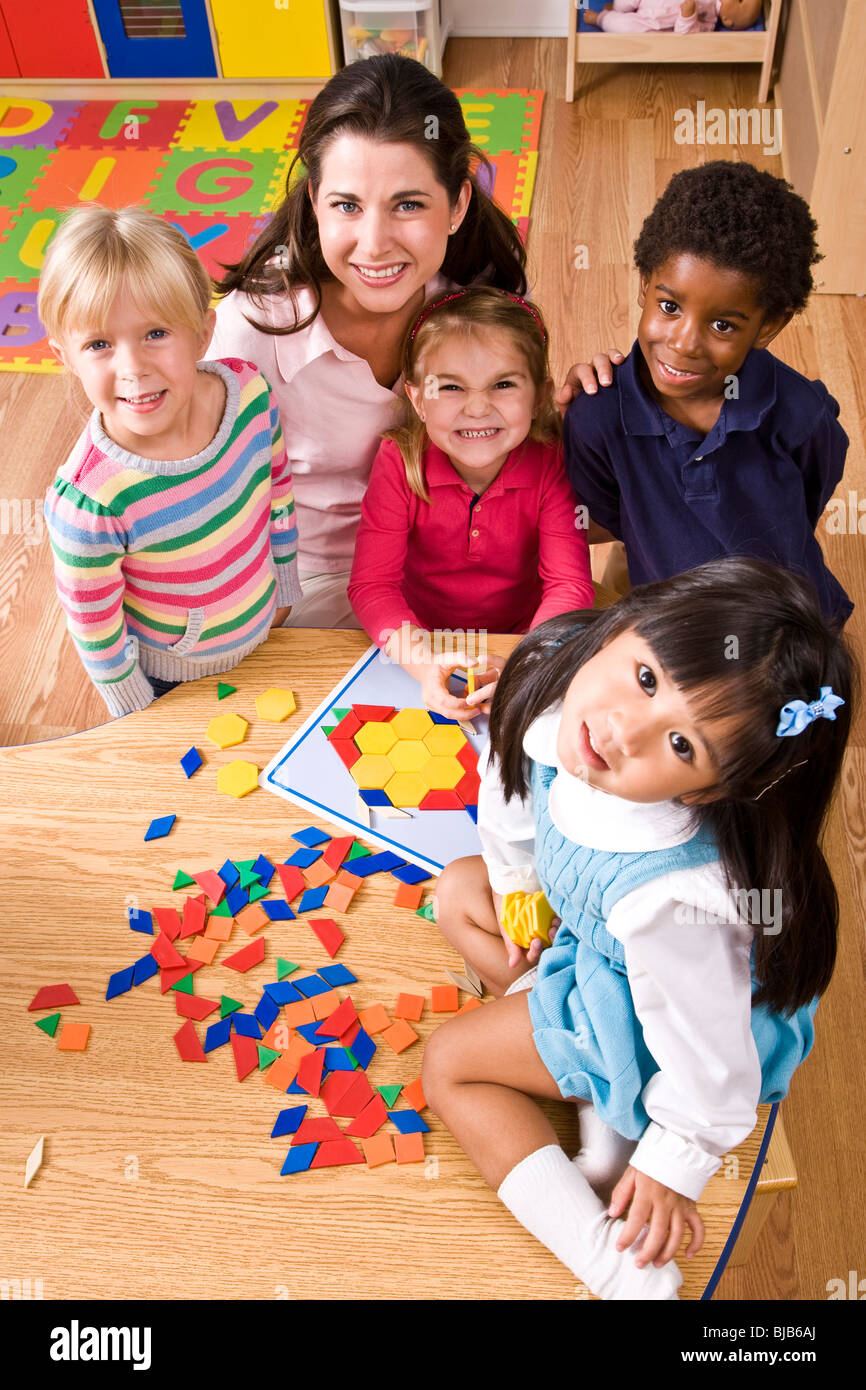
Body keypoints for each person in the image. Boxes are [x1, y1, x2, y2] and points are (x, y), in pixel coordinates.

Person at [423, 557, 856, 1299]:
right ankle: (576, 1069)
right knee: (459, 889)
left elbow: (714, 1065)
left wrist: (673, 1163)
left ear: (715, 788)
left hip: (661, 1028)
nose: (625, 729)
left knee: (449, 1064)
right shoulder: (568, 680)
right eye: (648, 679)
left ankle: (615, 1267)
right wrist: (520, 893)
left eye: (682, 746)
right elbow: (516, 787)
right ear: (627, 621)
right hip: (598, 948)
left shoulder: (671, 901)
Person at [210, 54, 587, 629]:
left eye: (408, 205)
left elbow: (525, 442)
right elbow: (185, 485)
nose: (375, 243)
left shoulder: (481, 298)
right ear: (314, 201)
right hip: (308, 587)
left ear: (458, 203)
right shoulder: (253, 328)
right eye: (346, 205)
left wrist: (595, 405)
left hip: (456, 575)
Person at [562, 162, 853, 627]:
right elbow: (607, 515)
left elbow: (808, 502)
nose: (683, 342)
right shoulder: (597, 414)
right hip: (674, 632)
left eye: (722, 325)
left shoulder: (801, 415)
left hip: (786, 627)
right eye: (670, 306)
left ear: (768, 327)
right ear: (644, 285)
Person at [40, 205, 301, 715]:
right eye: (99, 344)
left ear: (203, 334)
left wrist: (285, 583)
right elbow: (95, 626)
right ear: (65, 358)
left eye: (155, 333)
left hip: (269, 632)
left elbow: (278, 492)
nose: (133, 367)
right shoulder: (91, 502)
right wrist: (137, 709)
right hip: (169, 683)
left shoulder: (248, 393)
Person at [348, 288, 595, 720]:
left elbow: (569, 587)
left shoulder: (554, 462)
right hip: (417, 640)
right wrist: (424, 665)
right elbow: (373, 586)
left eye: (502, 384)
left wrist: (524, 664)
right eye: (451, 387)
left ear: (540, 395)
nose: (478, 407)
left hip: (518, 637)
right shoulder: (398, 461)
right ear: (418, 399)